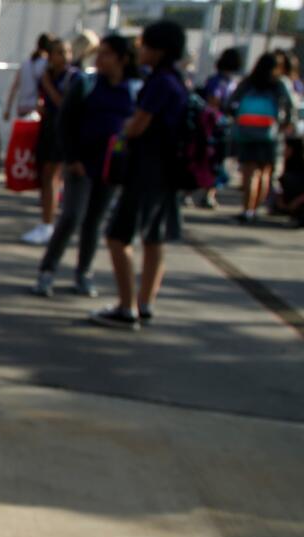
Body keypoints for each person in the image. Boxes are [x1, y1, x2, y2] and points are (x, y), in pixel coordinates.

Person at [89, 21, 188, 331]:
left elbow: (137, 126)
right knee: (153, 238)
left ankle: (125, 306)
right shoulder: (176, 81)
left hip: (145, 171)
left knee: (118, 236)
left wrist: (122, 131)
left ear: (158, 50)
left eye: (144, 45)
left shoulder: (159, 83)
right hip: (166, 173)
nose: (140, 51)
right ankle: (145, 302)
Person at [34, 34, 139, 299]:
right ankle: (47, 271)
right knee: (71, 216)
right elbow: (65, 123)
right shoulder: (86, 83)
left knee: (94, 222)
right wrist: (72, 159)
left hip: (111, 168)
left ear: (122, 59)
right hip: (80, 165)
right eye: (99, 52)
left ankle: (84, 273)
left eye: (106, 53)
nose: (99, 58)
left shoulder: (133, 89)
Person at [22, 38, 80, 245]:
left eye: (67, 52)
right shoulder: (47, 75)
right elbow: (43, 100)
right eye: (59, 53)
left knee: (52, 177)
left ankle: (49, 224)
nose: (64, 57)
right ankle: (46, 222)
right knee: (45, 177)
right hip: (47, 130)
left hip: (62, 134)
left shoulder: (73, 78)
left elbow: (65, 106)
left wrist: (47, 85)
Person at [228, 51, 294, 224]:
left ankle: (246, 209)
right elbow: (290, 106)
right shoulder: (279, 84)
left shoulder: (248, 82)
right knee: (264, 172)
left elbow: (230, 103)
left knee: (249, 172)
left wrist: (238, 118)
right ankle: (255, 209)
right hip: (270, 133)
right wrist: (284, 124)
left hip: (246, 131)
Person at [195, 47, 243, 209]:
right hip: (221, 125)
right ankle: (209, 193)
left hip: (208, 123)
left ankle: (195, 192)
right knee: (216, 160)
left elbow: (211, 100)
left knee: (204, 157)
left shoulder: (214, 80)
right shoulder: (231, 83)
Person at [4, 33, 53, 121]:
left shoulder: (25, 63)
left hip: (22, 108)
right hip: (36, 108)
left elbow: (14, 87)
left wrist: (8, 109)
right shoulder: (46, 64)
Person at [274, 136, 304, 227]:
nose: (284, 151)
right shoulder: (290, 164)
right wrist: (280, 198)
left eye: (286, 148)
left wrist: (297, 202)